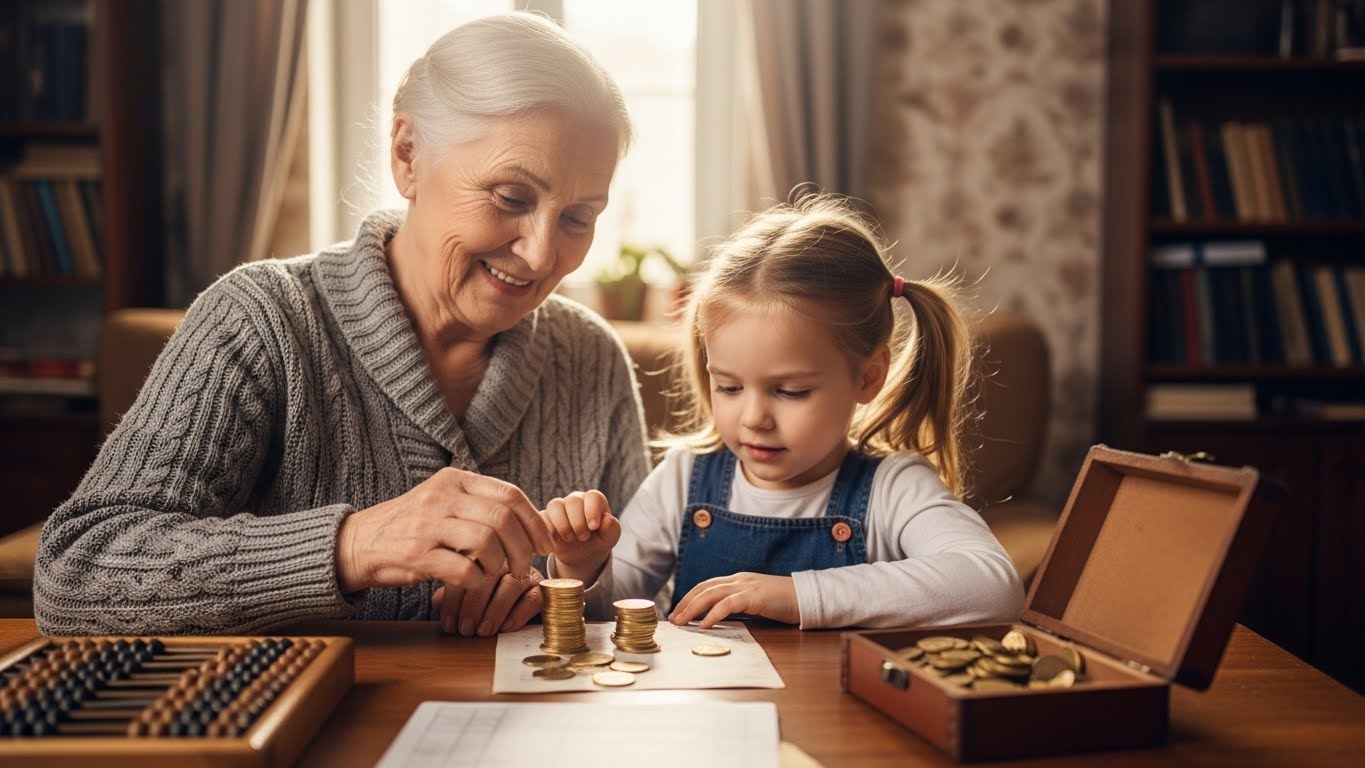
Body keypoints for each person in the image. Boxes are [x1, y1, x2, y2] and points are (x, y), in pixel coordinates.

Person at [33, 12, 650, 637]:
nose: (543, 254)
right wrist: (354, 546)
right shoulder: (260, 320)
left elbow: (652, 584)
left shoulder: (590, 357)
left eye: (578, 217)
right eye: (511, 198)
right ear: (407, 156)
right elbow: (75, 575)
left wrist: (572, 587)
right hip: (286, 729)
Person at [542, 193, 1025, 629]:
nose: (754, 417)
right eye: (729, 386)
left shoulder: (893, 487)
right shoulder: (683, 479)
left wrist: (797, 595)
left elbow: (992, 586)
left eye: (791, 391)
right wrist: (580, 568)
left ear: (868, 376)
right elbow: (609, 610)